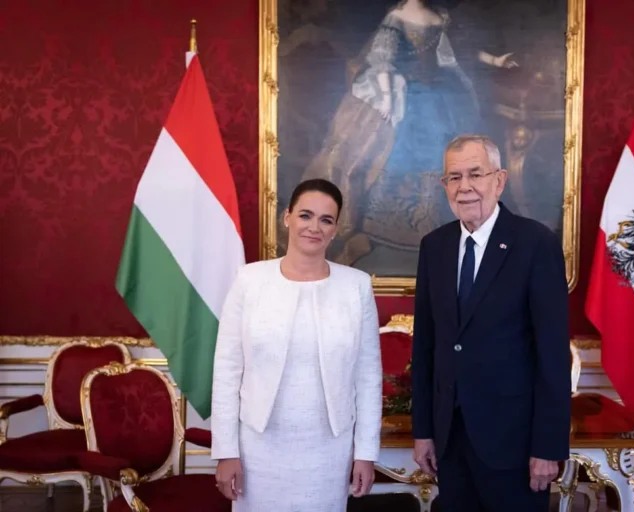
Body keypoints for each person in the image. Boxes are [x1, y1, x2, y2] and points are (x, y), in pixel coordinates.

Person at [410, 134, 571, 511]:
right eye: (454, 177)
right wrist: (424, 432)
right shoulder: (434, 246)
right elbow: (426, 347)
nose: (464, 186)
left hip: (515, 445)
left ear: (499, 180)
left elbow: (552, 354)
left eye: (475, 174)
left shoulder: (535, 243)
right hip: (450, 441)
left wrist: (547, 447)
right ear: (444, 186)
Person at [210, 178, 383, 511]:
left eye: (326, 220)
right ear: (287, 217)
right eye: (305, 215)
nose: (314, 227)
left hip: (329, 450)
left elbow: (368, 377)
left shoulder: (356, 287)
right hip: (257, 447)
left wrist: (365, 453)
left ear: (335, 229)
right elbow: (227, 371)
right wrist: (226, 451)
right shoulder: (249, 280)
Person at [302, 0, 480, 266]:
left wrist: (494, 60)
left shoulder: (439, 17)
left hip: (438, 92)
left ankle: (434, 216)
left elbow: (448, 58)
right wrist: (386, 97)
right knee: (401, 149)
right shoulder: (397, 16)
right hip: (406, 93)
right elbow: (382, 61)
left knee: (443, 148)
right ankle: (387, 222)